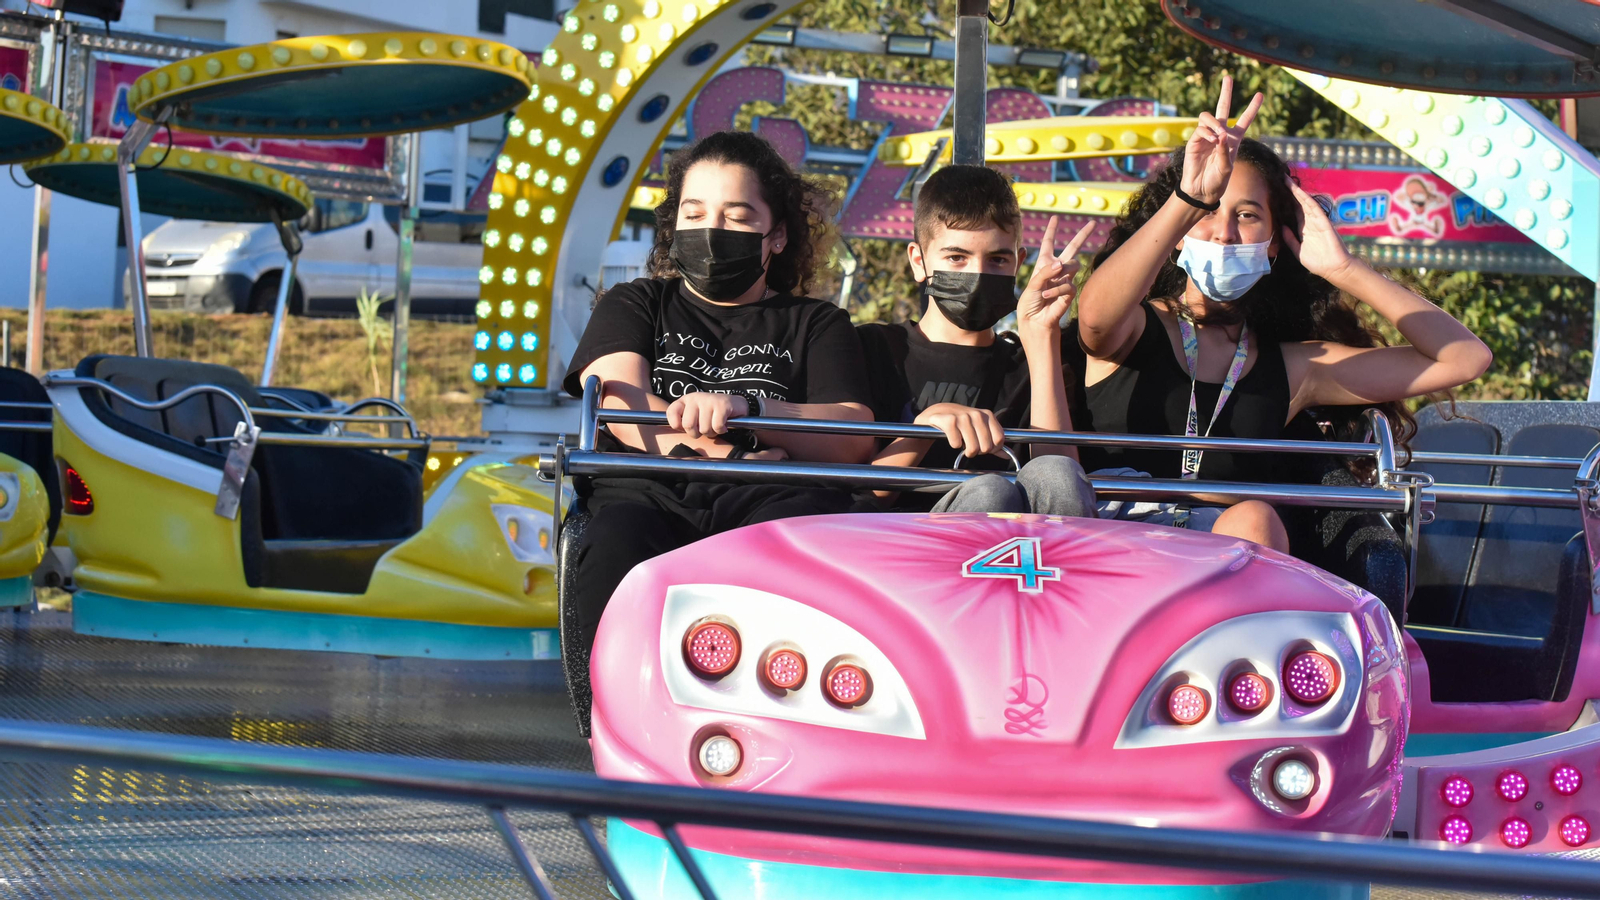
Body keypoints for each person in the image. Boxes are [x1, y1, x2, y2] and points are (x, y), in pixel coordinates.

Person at [1069, 75, 1493, 551]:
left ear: (1274, 246)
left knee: (1255, 519)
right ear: (1178, 235)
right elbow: (1096, 316)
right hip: (1108, 546)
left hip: (1215, 571)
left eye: (1247, 215)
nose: (1225, 233)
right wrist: (1188, 199)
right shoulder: (1133, 325)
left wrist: (1344, 269)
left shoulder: (1296, 367)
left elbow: (1463, 359)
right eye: (1209, 212)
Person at [561, 130, 875, 652]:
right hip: (648, 498)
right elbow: (622, 404)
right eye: (694, 212)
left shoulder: (816, 323)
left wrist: (747, 408)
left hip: (771, 503)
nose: (711, 230)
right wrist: (733, 451)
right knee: (615, 543)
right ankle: (608, 718)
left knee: (797, 548)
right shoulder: (635, 303)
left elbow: (850, 434)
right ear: (674, 224)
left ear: (775, 235)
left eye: (736, 216)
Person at [856, 164, 1096, 516]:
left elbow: (1062, 489)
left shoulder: (1026, 366)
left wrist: (1042, 332)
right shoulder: (871, 348)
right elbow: (852, 500)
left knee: (1053, 472)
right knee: (987, 491)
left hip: (1020, 556)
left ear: (1018, 264)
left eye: (998, 259)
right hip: (897, 548)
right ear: (919, 261)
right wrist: (923, 431)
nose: (978, 274)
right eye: (956, 257)